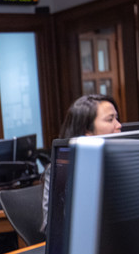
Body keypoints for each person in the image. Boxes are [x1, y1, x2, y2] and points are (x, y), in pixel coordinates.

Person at [41, 94, 122, 232]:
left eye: (117, 118)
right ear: (87, 130)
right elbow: (54, 225)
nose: (118, 125)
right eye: (110, 119)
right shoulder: (62, 169)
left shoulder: (121, 162)